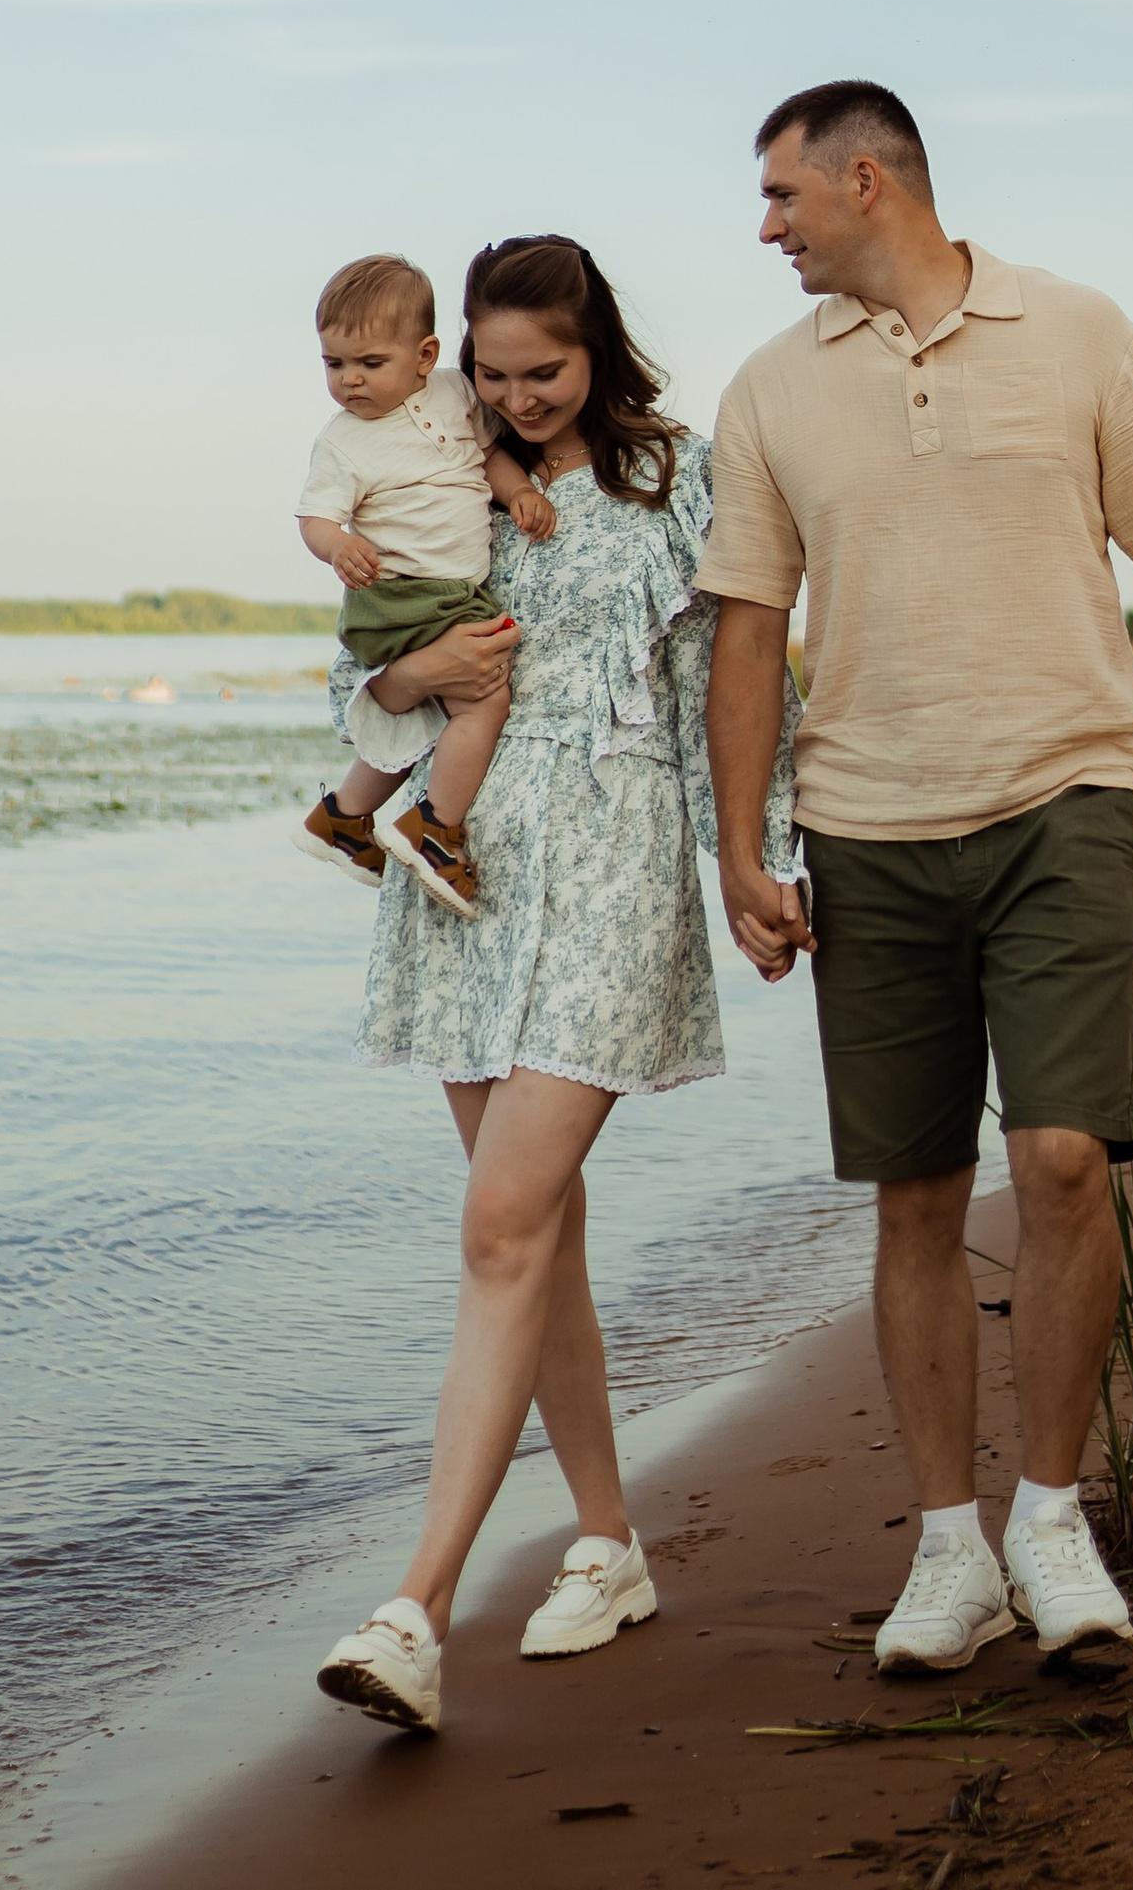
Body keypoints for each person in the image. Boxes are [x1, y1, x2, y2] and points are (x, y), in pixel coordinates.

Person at [701, 80, 1133, 1678]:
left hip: (1064, 794)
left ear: (867, 180)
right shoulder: (767, 390)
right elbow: (749, 627)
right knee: (913, 1190)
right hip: (867, 824)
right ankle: (949, 1551)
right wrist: (742, 847)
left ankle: (1050, 1516)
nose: (765, 227)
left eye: (781, 196)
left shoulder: (1079, 331)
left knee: (1062, 1158)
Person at [314, 234, 800, 1738]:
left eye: (547, 372)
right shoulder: (432, 471)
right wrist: (415, 677)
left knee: (501, 1220)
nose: (519, 399)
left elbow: (735, 681)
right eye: (494, 372)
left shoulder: (678, 482)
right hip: (462, 869)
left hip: (612, 861)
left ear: (599, 352)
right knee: (536, 1231)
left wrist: (754, 859)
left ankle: (417, 1607)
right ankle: (607, 1540)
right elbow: (358, 680)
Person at [293, 252, 555, 913]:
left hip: (446, 594)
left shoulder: (455, 394)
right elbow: (315, 518)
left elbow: (488, 456)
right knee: (484, 700)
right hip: (403, 593)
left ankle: (344, 817)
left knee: (428, 711)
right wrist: (339, 546)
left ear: (425, 355)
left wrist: (519, 493)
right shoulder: (343, 441)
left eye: (369, 362)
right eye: (333, 363)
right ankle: (436, 826)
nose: (349, 379)